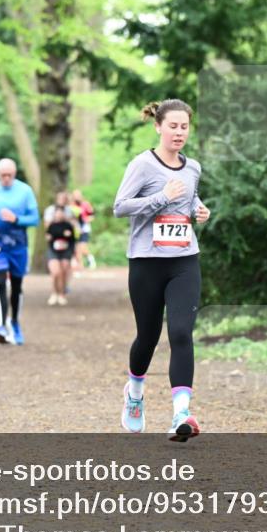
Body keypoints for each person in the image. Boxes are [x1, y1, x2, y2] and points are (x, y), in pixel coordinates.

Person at [113, 99, 211, 441]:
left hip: (184, 260)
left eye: (184, 127)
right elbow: (120, 207)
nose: (179, 133)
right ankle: (135, 393)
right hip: (146, 262)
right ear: (158, 126)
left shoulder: (193, 167)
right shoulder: (142, 165)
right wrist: (161, 198)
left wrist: (200, 210)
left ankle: (181, 414)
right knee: (148, 336)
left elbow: (189, 200)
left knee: (182, 333)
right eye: (173, 126)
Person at [0, 158, 40, 345]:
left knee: (17, 287)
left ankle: (15, 322)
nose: (6, 178)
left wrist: (16, 219)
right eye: (3, 175)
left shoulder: (25, 191)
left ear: (15, 174)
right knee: (0, 281)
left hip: (18, 244)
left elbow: (35, 219)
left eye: (9, 175)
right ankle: (0, 325)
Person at [44, 191, 76, 304]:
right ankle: (54, 293)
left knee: (64, 271)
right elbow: (48, 233)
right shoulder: (50, 218)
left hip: (66, 250)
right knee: (55, 272)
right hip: (54, 249)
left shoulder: (69, 215)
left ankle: (62, 293)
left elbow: (73, 235)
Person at [72, 189, 97, 269]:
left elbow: (92, 216)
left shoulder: (86, 204)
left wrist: (87, 219)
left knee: (82, 247)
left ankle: (90, 259)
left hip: (84, 228)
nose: (76, 197)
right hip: (75, 229)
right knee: (76, 249)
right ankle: (80, 266)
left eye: (78, 195)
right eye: (75, 195)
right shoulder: (71, 205)